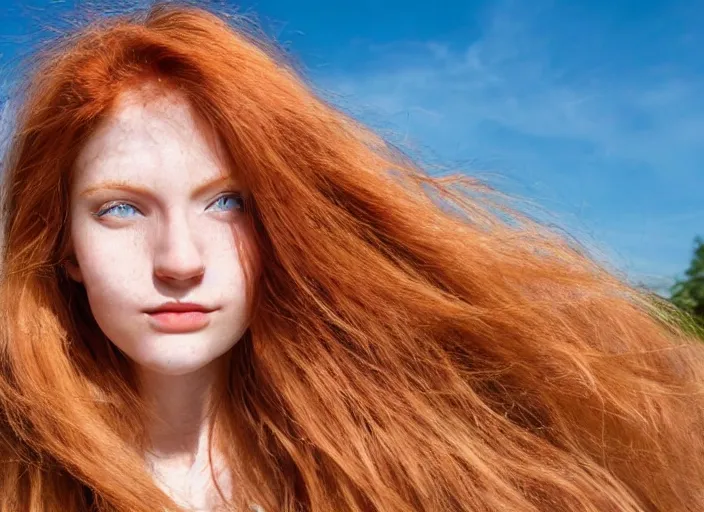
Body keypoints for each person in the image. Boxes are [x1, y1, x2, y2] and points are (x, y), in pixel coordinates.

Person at [1, 3, 703, 511]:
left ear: (284, 225)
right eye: (120, 208)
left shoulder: (402, 461)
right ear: (63, 247)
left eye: (228, 202)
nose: (179, 260)